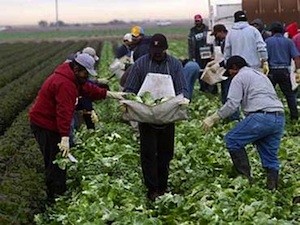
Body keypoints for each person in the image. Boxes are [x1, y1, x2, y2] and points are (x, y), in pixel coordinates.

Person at [29, 53, 126, 202]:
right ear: (76, 68)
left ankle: (58, 189)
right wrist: (65, 137)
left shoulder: (74, 79)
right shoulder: (65, 84)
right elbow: (64, 112)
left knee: (60, 159)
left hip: (51, 122)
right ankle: (55, 195)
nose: (86, 76)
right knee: (54, 159)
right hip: (44, 124)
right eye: (85, 73)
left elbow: (89, 89)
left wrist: (110, 94)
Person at [202, 55, 285, 190]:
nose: (229, 74)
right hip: (279, 117)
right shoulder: (260, 75)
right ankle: (272, 188)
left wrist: (214, 117)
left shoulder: (239, 77)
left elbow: (232, 104)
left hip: (261, 116)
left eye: (229, 70)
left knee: (232, 140)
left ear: (234, 68)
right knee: (269, 154)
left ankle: (245, 179)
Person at [124, 33, 189, 201]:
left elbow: (183, 88)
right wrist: (132, 103)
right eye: (154, 50)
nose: (157, 53)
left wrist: (182, 101)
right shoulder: (140, 64)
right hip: (146, 116)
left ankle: (162, 185)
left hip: (167, 116)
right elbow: (130, 89)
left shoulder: (174, 65)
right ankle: (152, 188)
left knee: (165, 153)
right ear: (150, 49)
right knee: (148, 153)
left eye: (160, 50)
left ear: (165, 49)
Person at [265, 21, 300, 121]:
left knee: (268, 95)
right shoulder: (288, 42)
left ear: (272, 31)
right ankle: (294, 117)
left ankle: (269, 116)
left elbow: (264, 57)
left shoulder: (267, 41)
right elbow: (296, 57)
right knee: (289, 95)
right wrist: (298, 71)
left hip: (272, 71)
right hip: (284, 71)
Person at [210, 24, 240, 121]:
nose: (216, 36)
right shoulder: (221, 41)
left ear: (222, 32)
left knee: (230, 96)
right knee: (224, 95)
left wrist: (219, 65)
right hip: (224, 72)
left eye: (216, 34)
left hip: (230, 72)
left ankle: (234, 118)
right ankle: (227, 117)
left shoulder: (229, 41)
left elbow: (229, 58)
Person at [188, 14, 217, 94]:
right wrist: (191, 57)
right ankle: (203, 88)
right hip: (198, 54)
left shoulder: (207, 29)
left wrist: (213, 53)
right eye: (196, 21)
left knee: (209, 71)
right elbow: (190, 44)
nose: (197, 22)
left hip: (207, 53)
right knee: (200, 72)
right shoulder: (192, 31)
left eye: (199, 20)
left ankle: (212, 89)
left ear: (202, 20)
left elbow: (212, 41)